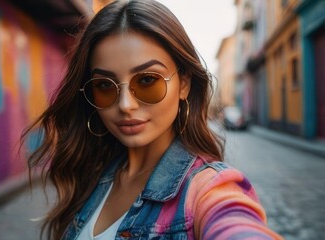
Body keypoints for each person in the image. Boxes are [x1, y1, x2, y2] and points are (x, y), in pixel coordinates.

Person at [22, 1, 282, 239]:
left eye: (147, 80)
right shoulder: (94, 174)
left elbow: (234, 224)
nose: (125, 105)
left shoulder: (207, 189)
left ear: (184, 84)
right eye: (104, 85)